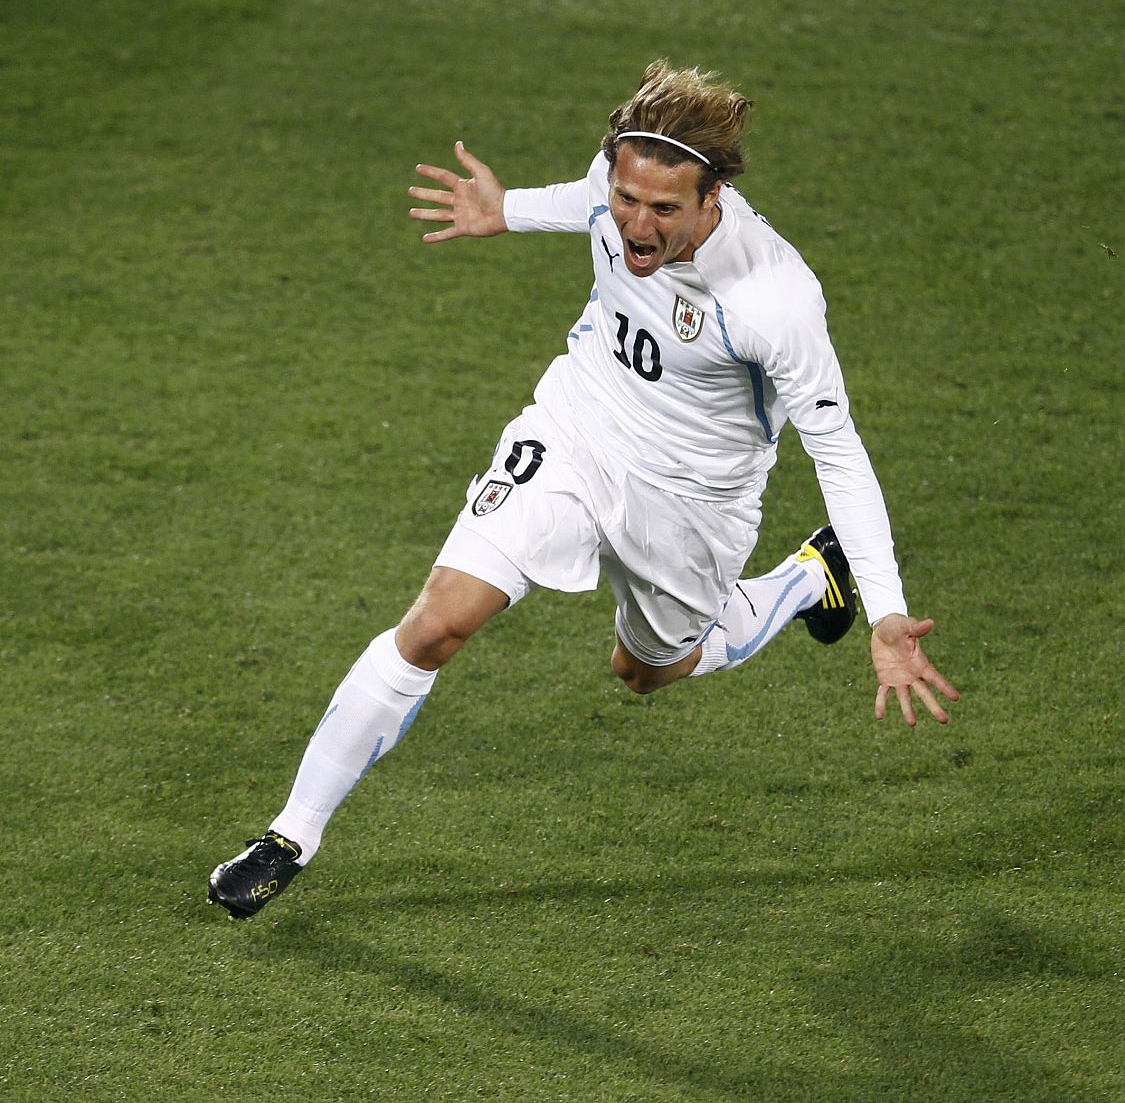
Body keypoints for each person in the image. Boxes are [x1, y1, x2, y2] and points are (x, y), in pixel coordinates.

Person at [207, 61, 958, 919]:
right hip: (576, 430)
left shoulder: (774, 298)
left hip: (693, 500)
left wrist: (888, 612)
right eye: (628, 198)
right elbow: (586, 200)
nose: (637, 225)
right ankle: (291, 835)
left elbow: (841, 451)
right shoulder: (619, 188)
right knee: (438, 621)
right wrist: (507, 211)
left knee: (646, 673)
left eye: (664, 210)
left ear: (713, 197)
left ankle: (802, 582)